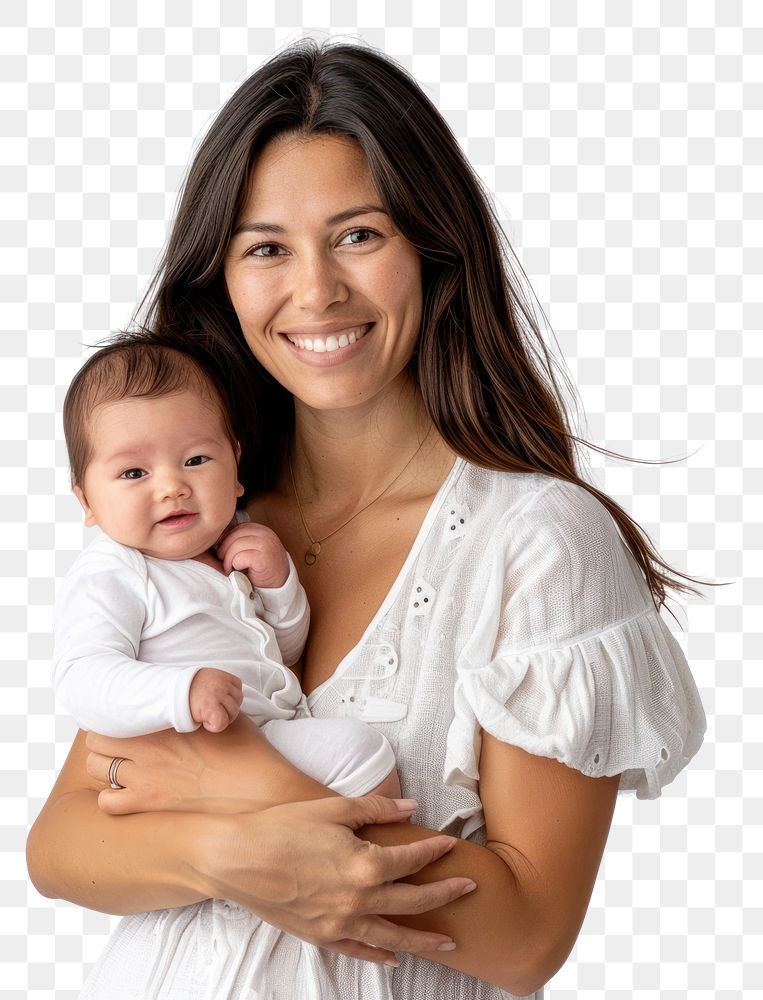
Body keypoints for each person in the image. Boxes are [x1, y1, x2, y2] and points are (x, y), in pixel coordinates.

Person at [27, 39, 707, 1000]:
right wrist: (230, 853)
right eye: (266, 247)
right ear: (219, 277)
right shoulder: (194, 520)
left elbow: (523, 939)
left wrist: (229, 787)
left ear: (433, 249)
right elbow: (61, 847)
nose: (315, 292)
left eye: (359, 235)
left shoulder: (538, 543)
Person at [53, 339, 399, 806]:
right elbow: (81, 679)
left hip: (266, 732)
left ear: (235, 467)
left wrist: (279, 586)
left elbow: (288, 648)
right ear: (87, 501)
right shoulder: (115, 571)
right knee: (362, 755)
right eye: (135, 473)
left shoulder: (234, 544)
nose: (172, 486)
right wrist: (182, 690)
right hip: (193, 748)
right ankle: (357, 856)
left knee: (360, 751)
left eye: (196, 460)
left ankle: (338, 855)